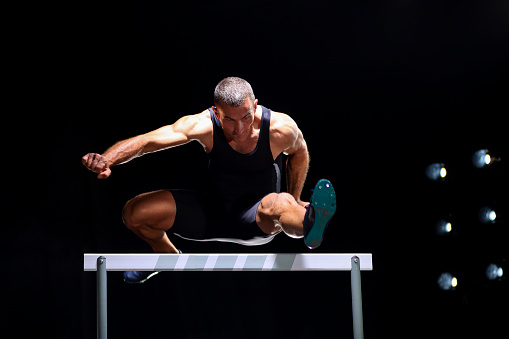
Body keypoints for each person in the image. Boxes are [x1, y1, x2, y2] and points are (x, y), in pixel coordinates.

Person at [82, 77, 336, 283]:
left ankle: (310, 221)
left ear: (255, 106)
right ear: (216, 112)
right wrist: (107, 159)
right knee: (134, 212)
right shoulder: (202, 125)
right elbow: (148, 141)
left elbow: (300, 152)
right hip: (211, 213)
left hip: (258, 215)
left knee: (281, 204)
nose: (240, 129)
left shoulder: (280, 128)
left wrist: (295, 197)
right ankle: (169, 259)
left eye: (246, 117)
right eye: (229, 120)